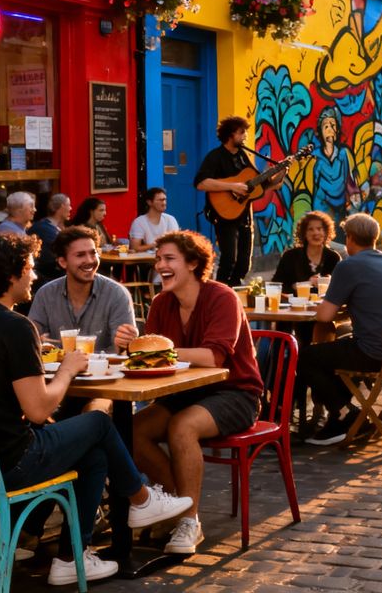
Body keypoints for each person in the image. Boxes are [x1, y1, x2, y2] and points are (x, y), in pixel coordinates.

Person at [0, 233, 193, 585]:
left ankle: (72, 557)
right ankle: (138, 501)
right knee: (97, 424)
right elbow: (37, 410)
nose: (33, 276)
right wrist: (66, 371)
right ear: (10, 276)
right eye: (29, 269)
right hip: (8, 466)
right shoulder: (15, 327)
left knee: (94, 454)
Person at [125, 230, 263, 555]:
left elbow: (213, 357)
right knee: (131, 431)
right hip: (183, 393)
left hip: (235, 393)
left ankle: (189, 522)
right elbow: (151, 356)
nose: (160, 265)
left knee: (182, 426)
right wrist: (133, 346)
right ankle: (173, 504)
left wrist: (162, 350)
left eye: (169, 258)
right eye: (158, 259)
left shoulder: (221, 297)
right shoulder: (161, 303)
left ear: (193, 263)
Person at [301, 213, 382, 445]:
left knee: (305, 357)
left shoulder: (348, 265)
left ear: (350, 238)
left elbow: (325, 315)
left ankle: (343, 414)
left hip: (376, 352)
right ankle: (342, 415)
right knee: (338, 344)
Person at [195, 116, 286, 286]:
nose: (245, 136)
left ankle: (234, 291)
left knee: (244, 263)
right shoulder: (215, 156)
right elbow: (201, 183)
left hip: (244, 216)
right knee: (229, 259)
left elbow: (262, 186)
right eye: (241, 132)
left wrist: (281, 172)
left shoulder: (243, 156)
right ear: (230, 135)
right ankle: (219, 292)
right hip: (224, 215)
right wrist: (232, 186)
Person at [28, 226, 135, 347]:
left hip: (105, 365)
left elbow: (123, 348)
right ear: (63, 262)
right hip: (58, 366)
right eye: (80, 255)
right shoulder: (46, 294)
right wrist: (39, 341)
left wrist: (126, 341)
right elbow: (33, 340)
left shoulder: (116, 294)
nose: (89, 260)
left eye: (93, 253)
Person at [272, 210, 341, 350]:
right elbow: (276, 285)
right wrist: (298, 286)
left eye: (320, 229)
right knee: (285, 330)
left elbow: (341, 288)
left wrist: (328, 282)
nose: (316, 233)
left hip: (322, 313)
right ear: (303, 233)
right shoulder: (290, 256)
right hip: (294, 311)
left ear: (326, 231)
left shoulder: (333, 257)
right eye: (311, 229)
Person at [29, 193, 72, 289]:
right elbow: (51, 260)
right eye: (69, 205)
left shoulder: (53, 227)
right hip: (48, 280)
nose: (71, 208)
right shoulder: (45, 229)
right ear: (62, 206)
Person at [129, 187, 180, 252]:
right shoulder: (139, 222)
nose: (164, 203)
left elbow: (177, 243)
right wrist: (154, 245)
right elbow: (134, 247)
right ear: (149, 202)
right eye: (160, 200)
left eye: (165, 200)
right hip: (147, 260)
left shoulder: (170, 219)